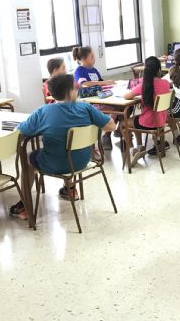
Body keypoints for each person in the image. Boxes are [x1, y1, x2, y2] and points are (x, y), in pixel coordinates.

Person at [16, 74, 116, 219]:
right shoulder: (86, 108)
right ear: (70, 92)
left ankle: (24, 205)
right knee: (67, 149)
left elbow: (22, 131)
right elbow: (111, 126)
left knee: (28, 158)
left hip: (55, 164)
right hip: (84, 160)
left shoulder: (43, 112)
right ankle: (70, 189)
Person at [123, 57, 172, 159]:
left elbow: (126, 96)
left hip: (148, 122)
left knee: (124, 124)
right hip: (162, 121)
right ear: (159, 70)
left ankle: (134, 150)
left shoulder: (144, 85)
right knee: (136, 119)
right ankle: (140, 147)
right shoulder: (165, 84)